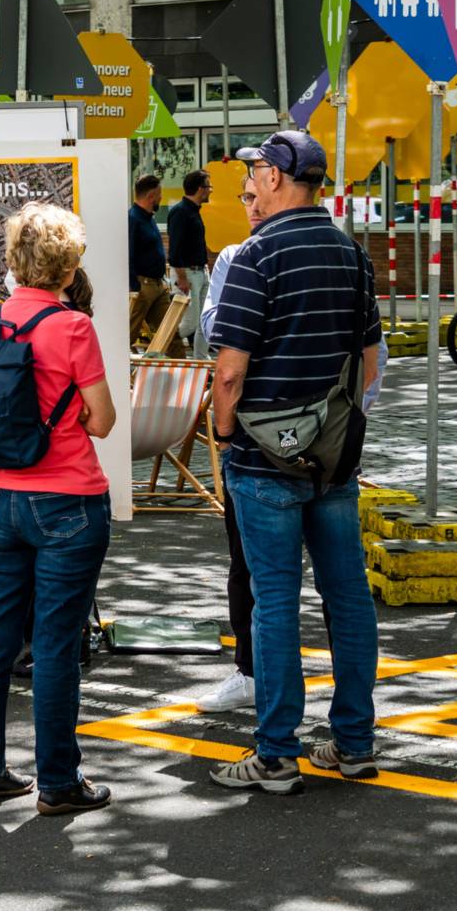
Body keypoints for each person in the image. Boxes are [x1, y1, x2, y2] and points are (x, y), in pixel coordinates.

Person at [208, 131, 381, 795]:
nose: (251, 182)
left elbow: (230, 371)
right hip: (334, 460)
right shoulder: (351, 254)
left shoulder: (256, 256)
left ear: (277, 178)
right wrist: (334, 427)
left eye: (256, 171)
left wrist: (226, 435)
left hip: (263, 460)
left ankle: (276, 754)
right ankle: (355, 744)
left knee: (275, 601)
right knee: (348, 597)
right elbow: (369, 363)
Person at [0, 202, 116, 816]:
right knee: (54, 645)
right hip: (68, 502)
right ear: (69, 266)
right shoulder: (73, 327)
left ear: (14, 261)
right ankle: (58, 782)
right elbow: (102, 421)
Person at [194, 174, 264, 714]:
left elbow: (226, 355)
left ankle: (260, 682)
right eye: (246, 196)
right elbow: (212, 329)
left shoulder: (241, 262)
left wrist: (222, 435)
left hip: (268, 446)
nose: (252, 205)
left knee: (265, 572)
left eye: (258, 193)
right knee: (250, 565)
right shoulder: (232, 258)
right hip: (271, 442)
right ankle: (252, 672)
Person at [127, 175, 182, 357]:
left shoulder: (149, 217)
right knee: (128, 333)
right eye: (159, 194)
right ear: (151, 196)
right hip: (143, 286)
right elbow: (128, 253)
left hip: (158, 286)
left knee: (171, 332)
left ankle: (183, 371)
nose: (161, 197)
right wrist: (134, 287)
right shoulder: (133, 219)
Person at [167, 169, 212, 357]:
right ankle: (162, 346)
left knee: (203, 322)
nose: (211, 190)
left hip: (201, 271)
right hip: (187, 273)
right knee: (190, 323)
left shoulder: (194, 210)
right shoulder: (180, 212)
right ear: (200, 189)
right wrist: (182, 278)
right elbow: (175, 249)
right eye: (209, 186)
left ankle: (201, 360)